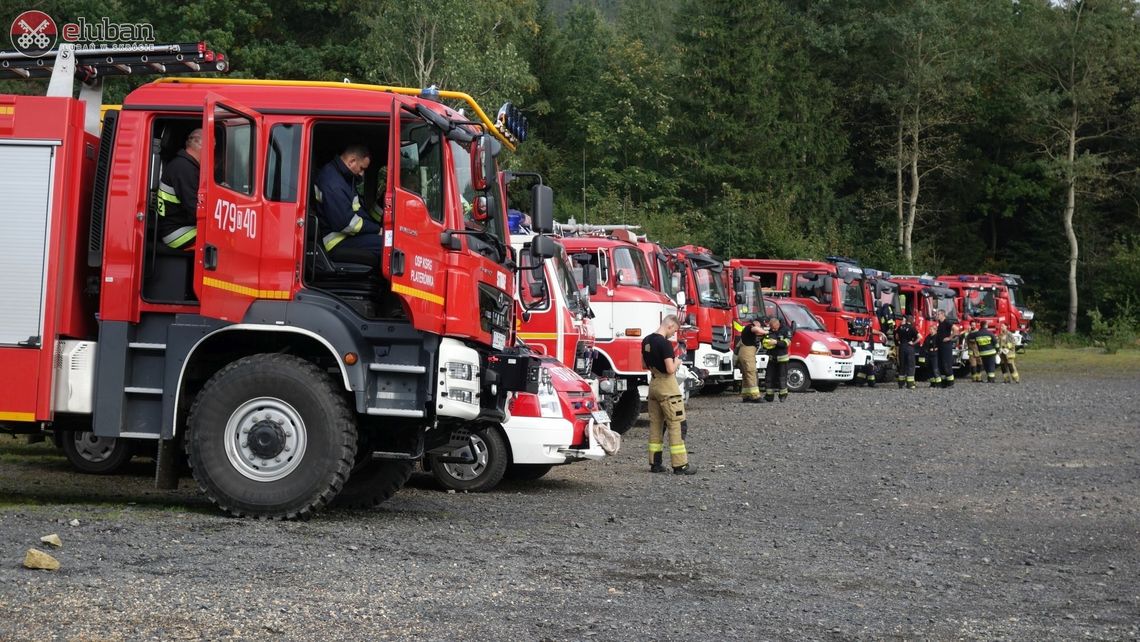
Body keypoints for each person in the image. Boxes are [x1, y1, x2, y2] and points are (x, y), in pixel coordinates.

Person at [642, 315, 694, 475]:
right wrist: (678, 361)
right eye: (675, 331)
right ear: (670, 326)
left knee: (656, 424)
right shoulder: (664, 344)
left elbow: (644, 364)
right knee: (677, 424)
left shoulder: (646, 341)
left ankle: (655, 464)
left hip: (654, 385)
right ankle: (680, 465)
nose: (673, 334)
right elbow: (670, 369)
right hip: (667, 387)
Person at [314, 144, 379, 264]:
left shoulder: (345, 178)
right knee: (387, 247)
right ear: (352, 161)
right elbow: (347, 224)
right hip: (336, 241)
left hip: (347, 236)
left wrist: (377, 228)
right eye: (362, 168)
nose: (362, 174)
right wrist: (376, 230)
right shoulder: (333, 182)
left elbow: (357, 210)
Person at [156, 128, 202, 250]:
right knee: (222, 240)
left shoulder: (186, 165)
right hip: (177, 232)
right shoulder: (184, 168)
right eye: (212, 146)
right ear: (198, 143)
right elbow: (195, 207)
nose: (213, 151)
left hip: (181, 226)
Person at [737, 313, 767, 403]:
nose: (761, 327)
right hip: (747, 355)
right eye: (761, 325)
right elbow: (756, 329)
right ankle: (755, 396)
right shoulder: (750, 327)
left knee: (746, 375)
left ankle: (746, 395)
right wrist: (767, 332)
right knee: (751, 374)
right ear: (757, 323)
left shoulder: (747, 329)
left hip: (745, 354)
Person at [761, 316, 792, 402]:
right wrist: (766, 343)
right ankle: (769, 396)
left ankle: (783, 395)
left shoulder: (786, 330)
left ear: (778, 324)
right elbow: (764, 341)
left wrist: (776, 342)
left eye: (774, 328)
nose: (773, 330)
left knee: (782, 377)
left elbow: (787, 343)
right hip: (772, 358)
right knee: (769, 377)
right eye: (772, 328)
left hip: (782, 358)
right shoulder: (770, 330)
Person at [934, 310, 958, 388]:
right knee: (941, 364)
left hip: (946, 346)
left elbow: (956, 329)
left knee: (946, 364)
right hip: (940, 346)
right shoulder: (940, 324)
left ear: (943, 314)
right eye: (936, 314)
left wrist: (949, 338)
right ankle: (944, 383)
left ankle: (951, 383)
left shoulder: (947, 322)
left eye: (938, 314)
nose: (937, 315)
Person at [895, 314, 918, 389]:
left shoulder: (900, 327)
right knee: (910, 366)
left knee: (902, 365)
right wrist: (913, 343)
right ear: (911, 320)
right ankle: (910, 384)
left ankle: (901, 384)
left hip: (902, 347)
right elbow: (919, 337)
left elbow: (897, 337)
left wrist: (900, 341)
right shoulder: (912, 328)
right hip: (909, 348)